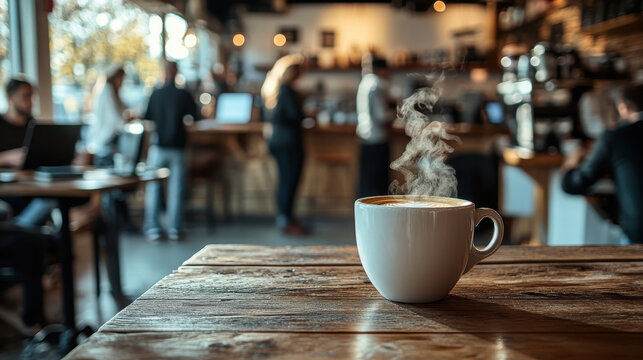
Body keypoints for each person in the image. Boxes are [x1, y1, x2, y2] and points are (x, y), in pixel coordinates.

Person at [561, 84, 643, 244]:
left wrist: (570, 163)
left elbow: (574, 183)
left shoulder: (615, 138)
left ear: (623, 108)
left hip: (638, 238)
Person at [143, 61, 197, 242]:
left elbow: (148, 117)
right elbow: (196, 117)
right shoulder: (183, 94)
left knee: (153, 187)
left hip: (158, 146)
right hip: (178, 147)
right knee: (176, 189)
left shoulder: (155, 93)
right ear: (176, 72)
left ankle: (153, 228)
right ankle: (175, 228)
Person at [261, 54, 308, 235]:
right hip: (289, 141)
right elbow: (295, 116)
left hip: (276, 139)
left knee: (284, 180)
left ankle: (285, 216)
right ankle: (286, 219)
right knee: (290, 181)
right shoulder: (288, 91)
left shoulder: (273, 89)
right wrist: (307, 113)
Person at [0, 77, 56, 227]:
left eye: (32, 96)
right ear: (10, 97)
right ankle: (19, 231)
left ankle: (18, 231)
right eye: (25, 96)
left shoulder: (35, 126)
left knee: (51, 200)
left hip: (34, 187)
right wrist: (6, 158)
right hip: (7, 191)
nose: (31, 101)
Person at [356, 55, 393, 198]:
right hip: (377, 136)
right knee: (378, 182)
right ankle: (380, 214)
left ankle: (365, 214)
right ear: (382, 69)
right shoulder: (376, 83)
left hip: (365, 135)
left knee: (367, 180)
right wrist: (395, 114)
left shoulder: (365, 82)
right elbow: (381, 115)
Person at [86, 64, 131, 166]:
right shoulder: (107, 92)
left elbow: (125, 107)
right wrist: (126, 121)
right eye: (121, 79)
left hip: (110, 141)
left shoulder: (114, 93)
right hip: (104, 141)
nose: (122, 82)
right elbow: (115, 120)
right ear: (115, 77)